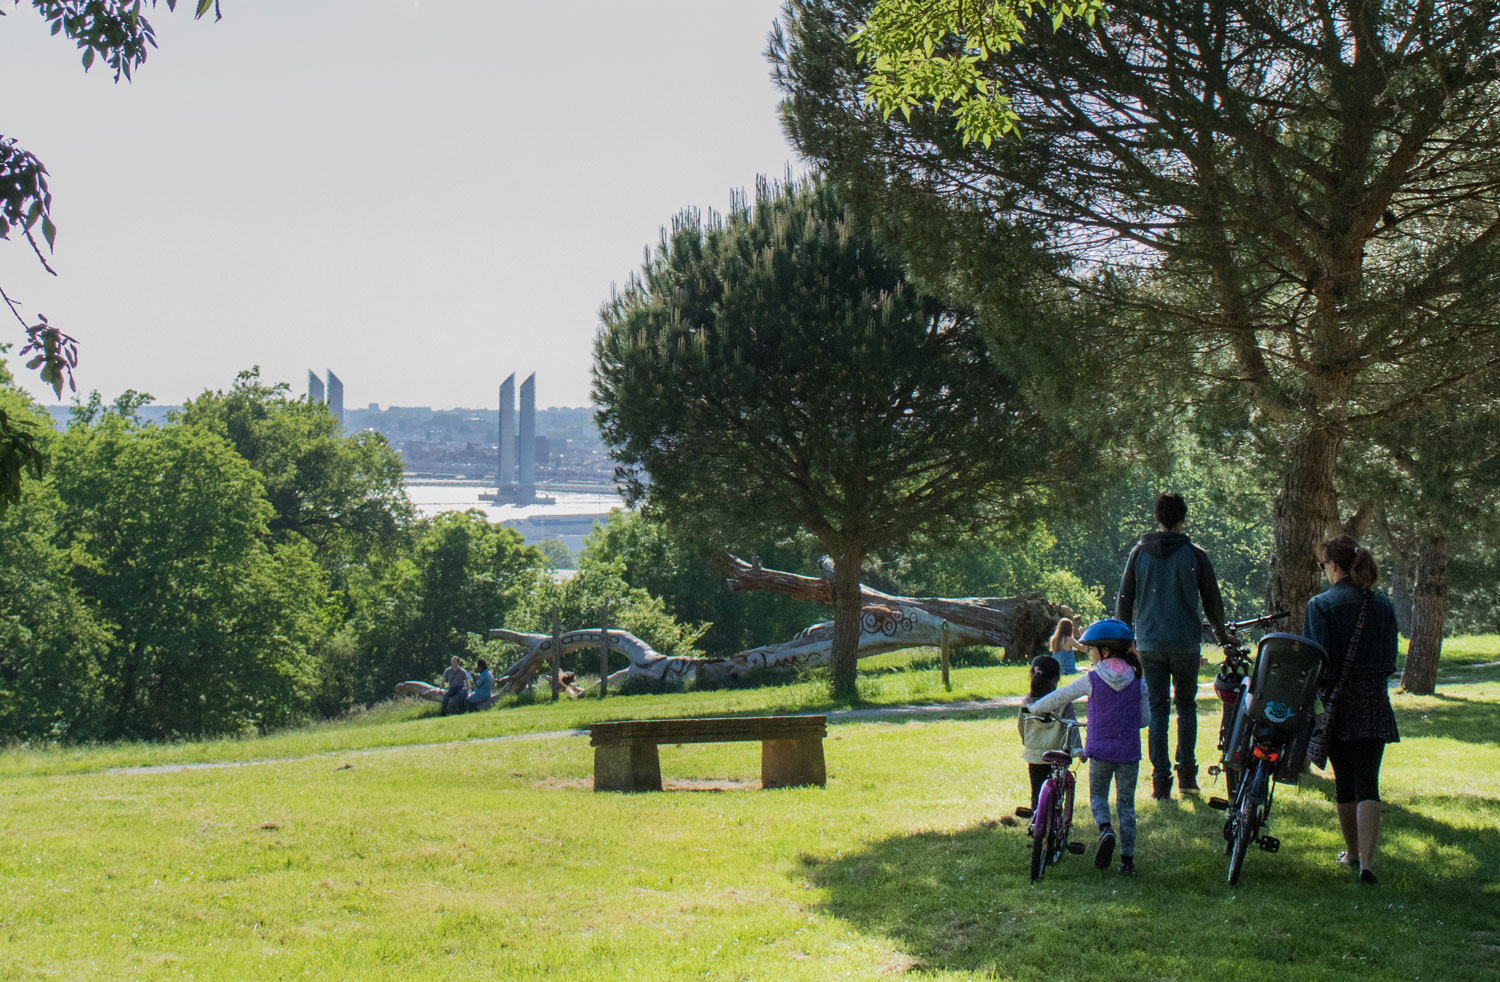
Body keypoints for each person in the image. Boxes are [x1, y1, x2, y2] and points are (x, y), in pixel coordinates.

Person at [1116, 493, 1230, 799]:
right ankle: (1188, 778)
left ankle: (1160, 781)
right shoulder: (1195, 554)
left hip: (1149, 643)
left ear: (1157, 518)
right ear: (1183, 518)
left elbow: (1124, 601)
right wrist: (1222, 636)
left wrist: (1125, 642)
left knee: (1157, 710)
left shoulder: (1139, 553)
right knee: (1187, 707)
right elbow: (1212, 601)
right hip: (1185, 642)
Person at [1304, 534, 1400, 885]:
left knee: (1344, 781)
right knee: (1368, 781)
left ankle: (1352, 852)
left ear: (1332, 565)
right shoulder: (1382, 604)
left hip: (1337, 703)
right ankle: (1368, 865)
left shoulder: (1320, 605)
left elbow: (1318, 660)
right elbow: (1390, 658)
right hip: (1374, 698)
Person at [1030, 618, 1150, 875]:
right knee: (1126, 805)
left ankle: (1105, 829)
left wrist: (1034, 707)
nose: (1091, 654)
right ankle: (1127, 861)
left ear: (1104, 651)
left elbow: (1059, 697)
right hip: (1129, 752)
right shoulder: (1139, 681)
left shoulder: (1092, 680)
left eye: (1092, 650)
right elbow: (1144, 720)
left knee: (1098, 797)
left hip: (1099, 751)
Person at [1018, 654, 1083, 809]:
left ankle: (1036, 818)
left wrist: (1027, 742)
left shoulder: (1026, 703)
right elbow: (1071, 725)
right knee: (1058, 793)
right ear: (1056, 679)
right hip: (1058, 755)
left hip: (1034, 755)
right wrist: (1077, 749)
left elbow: (1021, 728)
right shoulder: (1062, 702)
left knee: (1037, 792)